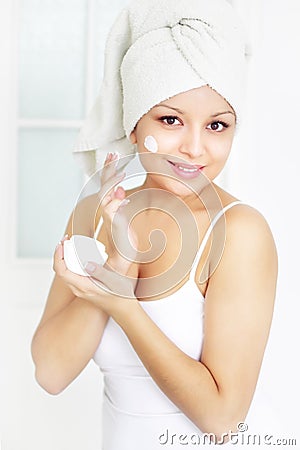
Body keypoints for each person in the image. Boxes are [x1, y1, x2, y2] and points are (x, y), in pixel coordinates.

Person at [31, 0, 278, 449]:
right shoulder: (96, 214)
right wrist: (122, 259)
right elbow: (51, 372)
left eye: (217, 126)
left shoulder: (240, 233)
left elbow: (221, 419)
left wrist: (122, 304)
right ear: (133, 123)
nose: (195, 148)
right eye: (170, 120)